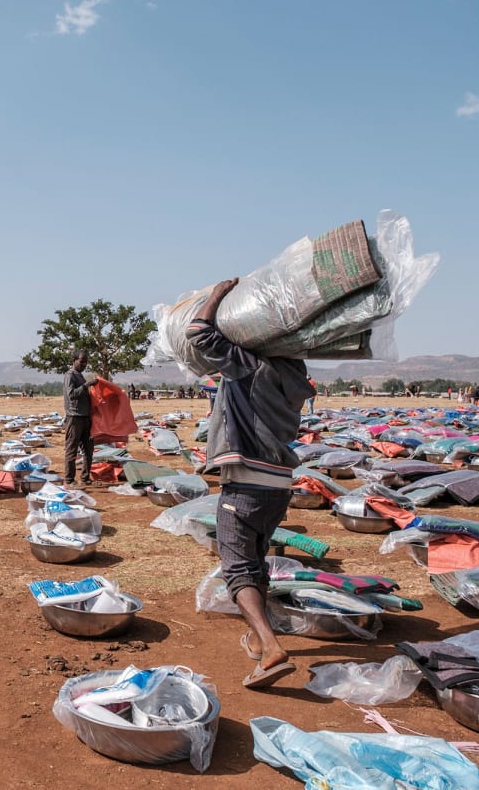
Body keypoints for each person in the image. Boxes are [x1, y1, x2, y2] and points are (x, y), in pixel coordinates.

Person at [186, 278, 314, 690]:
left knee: (236, 569)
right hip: (279, 486)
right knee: (256, 564)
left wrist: (217, 294)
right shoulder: (297, 376)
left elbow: (198, 333)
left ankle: (272, 647)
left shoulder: (250, 366)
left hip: (244, 484)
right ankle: (259, 642)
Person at [63, 351, 97, 485]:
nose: (84, 364)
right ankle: (69, 480)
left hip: (85, 417)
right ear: (74, 360)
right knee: (72, 450)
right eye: (82, 361)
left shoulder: (80, 376)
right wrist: (87, 385)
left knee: (88, 450)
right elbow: (71, 394)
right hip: (74, 417)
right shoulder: (70, 376)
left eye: (86, 362)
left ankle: (84, 478)